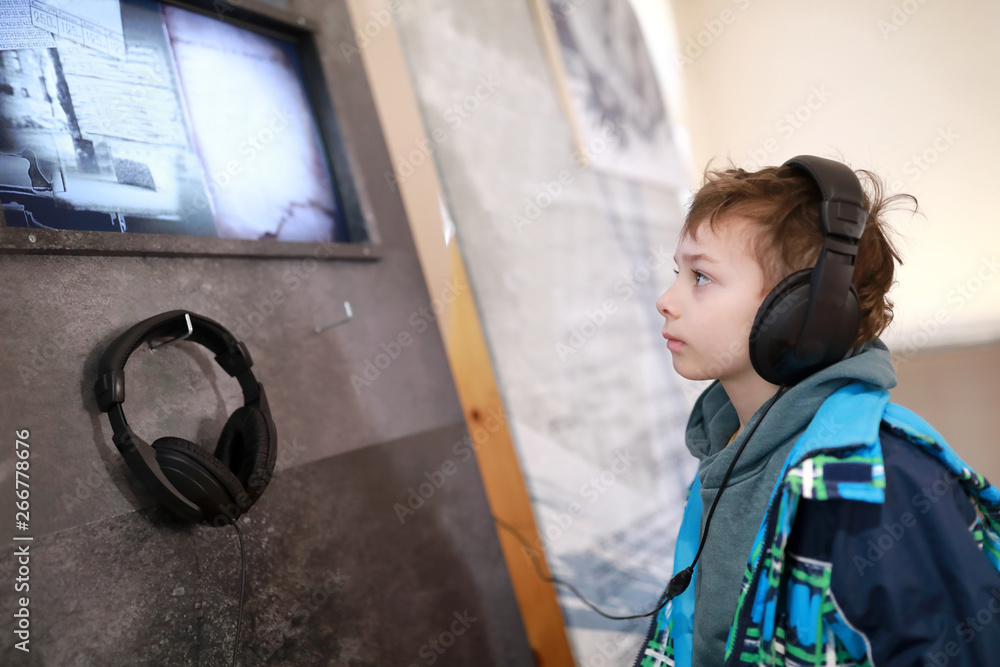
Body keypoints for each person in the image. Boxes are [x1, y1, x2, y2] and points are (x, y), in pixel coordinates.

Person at [633, 157, 1000, 666]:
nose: (665, 300)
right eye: (679, 272)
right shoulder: (729, 451)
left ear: (801, 310)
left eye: (701, 277)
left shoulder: (879, 484)